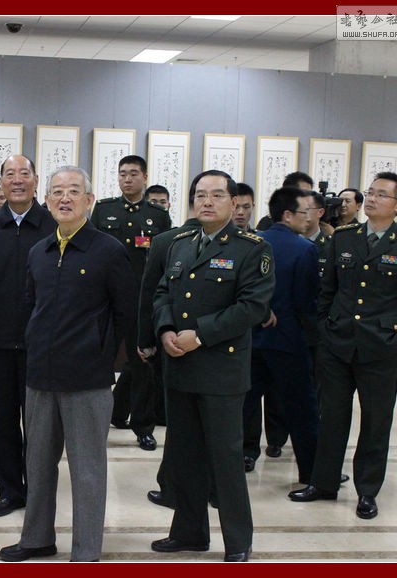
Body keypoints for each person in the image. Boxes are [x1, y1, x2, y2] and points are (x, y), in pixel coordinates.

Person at [0, 166, 133, 563]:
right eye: (57, 192)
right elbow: (32, 306)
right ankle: (36, 538)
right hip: (40, 375)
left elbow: (126, 313)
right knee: (38, 464)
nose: (65, 198)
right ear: (47, 200)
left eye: (74, 191)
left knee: (87, 469)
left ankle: (86, 549)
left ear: (89, 200)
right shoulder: (39, 252)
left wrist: (102, 355)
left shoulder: (108, 250)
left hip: (87, 379)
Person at [150, 169, 274, 562]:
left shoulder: (253, 248)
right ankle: (189, 532)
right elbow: (162, 292)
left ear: (234, 203)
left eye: (217, 195)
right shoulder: (180, 244)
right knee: (184, 456)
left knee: (225, 459)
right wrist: (165, 329)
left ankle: (238, 541)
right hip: (180, 365)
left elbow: (252, 307)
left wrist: (200, 335)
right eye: (200, 195)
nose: (207, 201)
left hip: (221, 370)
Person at [289, 172, 397, 520]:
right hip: (338, 342)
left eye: (381, 195)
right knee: (331, 416)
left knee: (376, 422)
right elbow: (326, 290)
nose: (372, 198)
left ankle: (367, 491)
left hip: (381, 346)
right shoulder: (344, 238)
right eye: (370, 192)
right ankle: (323, 483)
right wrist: (325, 328)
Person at [0, 154, 57, 518]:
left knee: (39, 425)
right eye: (10, 174)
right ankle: (10, 491)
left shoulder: (53, 224)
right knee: (3, 421)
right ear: (1, 182)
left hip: (43, 343)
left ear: (36, 180)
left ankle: (38, 490)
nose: (17, 180)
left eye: (24, 173)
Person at [91, 154, 171, 451]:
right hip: (105, 302)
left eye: (133, 173)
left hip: (140, 303)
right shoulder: (104, 209)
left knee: (142, 367)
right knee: (99, 365)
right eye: (122, 173)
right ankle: (95, 424)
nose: (127, 178)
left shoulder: (157, 215)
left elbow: (163, 262)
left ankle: (143, 428)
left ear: (145, 177)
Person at [242, 187, 320, 484]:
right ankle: (311, 473)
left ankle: (234, 464)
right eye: (304, 212)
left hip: (251, 339)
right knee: (302, 409)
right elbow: (306, 302)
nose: (308, 218)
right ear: (288, 215)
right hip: (289, 340)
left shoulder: (251, 243)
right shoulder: (305, 249)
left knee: (243, 407)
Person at [139, 189, 200, 511]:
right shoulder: (167, 242)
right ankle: (173, 485)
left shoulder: (244, 246)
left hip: (217, 350)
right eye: (203, 196)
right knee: (180, 423)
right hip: (173, 344)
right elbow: (152, 293)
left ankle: (200, 487)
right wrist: (149, 337)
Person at [236, 181, 287, 463]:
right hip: (226, 332)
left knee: (257, 392)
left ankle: (252, 448)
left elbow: (266, 285)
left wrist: (264, 309)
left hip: (257, 332)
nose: (241, 212)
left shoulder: (260, 243)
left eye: (246, 207)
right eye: (237, 206)